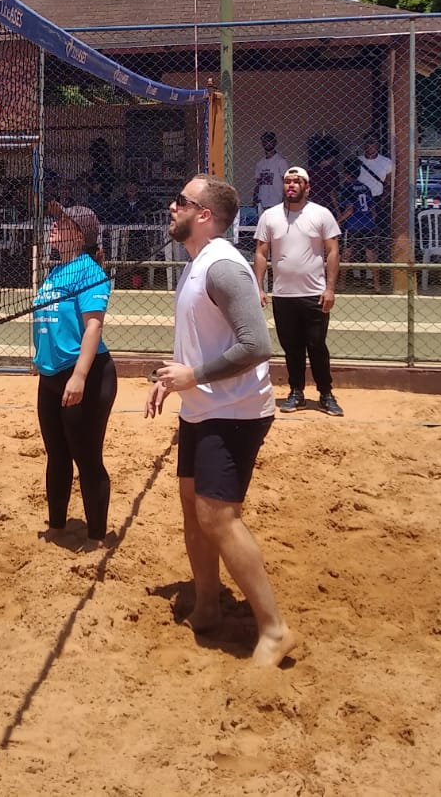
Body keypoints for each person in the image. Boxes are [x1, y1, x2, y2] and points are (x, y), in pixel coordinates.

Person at [145, 174, 298, 668]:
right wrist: (172, 378)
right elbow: (202, 339)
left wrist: (193, 375)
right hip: (203, 406)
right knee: (193, 508)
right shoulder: (197, 263)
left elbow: (256, 346)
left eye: (181, 201)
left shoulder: (224, 267)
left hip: (235, 410)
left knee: (217, 515)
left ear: (204, 214)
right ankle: (209, 606)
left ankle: (274, 630)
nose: (173, 207)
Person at [31, 205, 116, 550]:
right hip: (51, 375)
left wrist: (79, 376)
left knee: (87, 458)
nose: (53, 225)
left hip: (86, 375)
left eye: (61, 222)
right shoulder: (56, 271)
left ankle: (96, 537)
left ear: (79, 236)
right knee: (56, 455)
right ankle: (57, 527)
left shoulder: (89, 272)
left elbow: (94, 327)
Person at [253, 166, 343, 416]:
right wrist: (258, 287)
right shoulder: (270, 216)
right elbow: (261, 252)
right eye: (287, 181)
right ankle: (296, 393)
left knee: (316, 345)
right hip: (283, 295)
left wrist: (330, 289)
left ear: (307, 187)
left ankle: (326, 394)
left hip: (314, 294)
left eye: (297, 181)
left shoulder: (321, 214)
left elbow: (333, 251)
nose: (291, 185)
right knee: (292, 348)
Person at [338, 175, 381, 290]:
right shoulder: (366, 188)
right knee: (371, 255)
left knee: (346, 254)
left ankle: (342, 284)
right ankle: (377, 285)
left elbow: (349, 209)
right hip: (368, 224)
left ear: (346, 174)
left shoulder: (347, 188)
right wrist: (371, 221)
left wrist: (338, 221)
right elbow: (373, 209)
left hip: (353, 225)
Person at [354, 136, 395, 240]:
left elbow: (388, 183)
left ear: (377, 145)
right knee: (359, 226)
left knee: (377, 226)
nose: (369, 146)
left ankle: (376, 245)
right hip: (360, 198)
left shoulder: (386, 162)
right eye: (367, 143)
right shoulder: (357, 161)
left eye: (372, 143)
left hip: (377, 197)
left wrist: (384, 198)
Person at [251, 132, 288, 211]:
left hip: (277, 202)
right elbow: (258, 184)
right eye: (264, 141)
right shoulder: (260, 164)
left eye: (269, 140)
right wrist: (255, 198)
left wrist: (285, 199)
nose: (267, 143)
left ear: (275, 142)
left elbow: (286, 181)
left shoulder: (281, 161)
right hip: (262, 202)